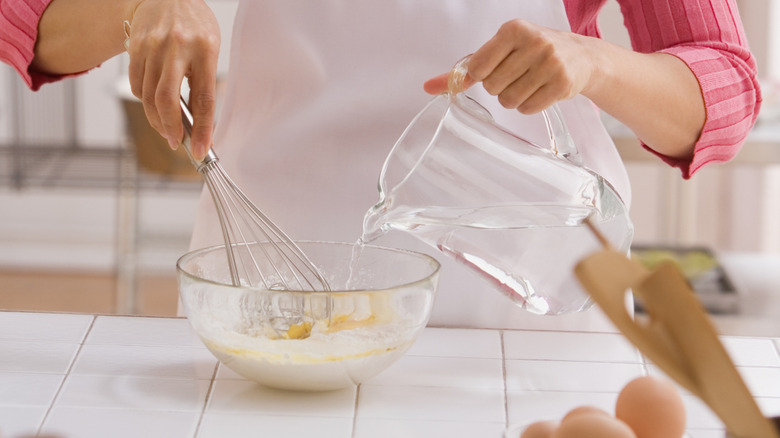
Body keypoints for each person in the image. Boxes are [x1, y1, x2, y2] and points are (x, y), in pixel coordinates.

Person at [2, 0, 760, 329]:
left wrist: (592, 62)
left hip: (526, 303)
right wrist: (138, 11)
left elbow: (725, 87)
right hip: (275, 300)